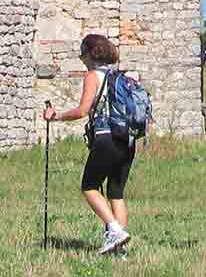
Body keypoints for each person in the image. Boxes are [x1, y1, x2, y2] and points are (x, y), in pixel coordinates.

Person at [43, 33, 139, 255]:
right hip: (127, 141)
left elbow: (82, 110)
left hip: (105, 138)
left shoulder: (92, 76)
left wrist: (56, 116)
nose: (81, 59)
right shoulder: (120, 77)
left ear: (90, 54)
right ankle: (119, 249)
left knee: (89, 186)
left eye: (82, 54)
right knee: (116, 193)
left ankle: (115, 231)